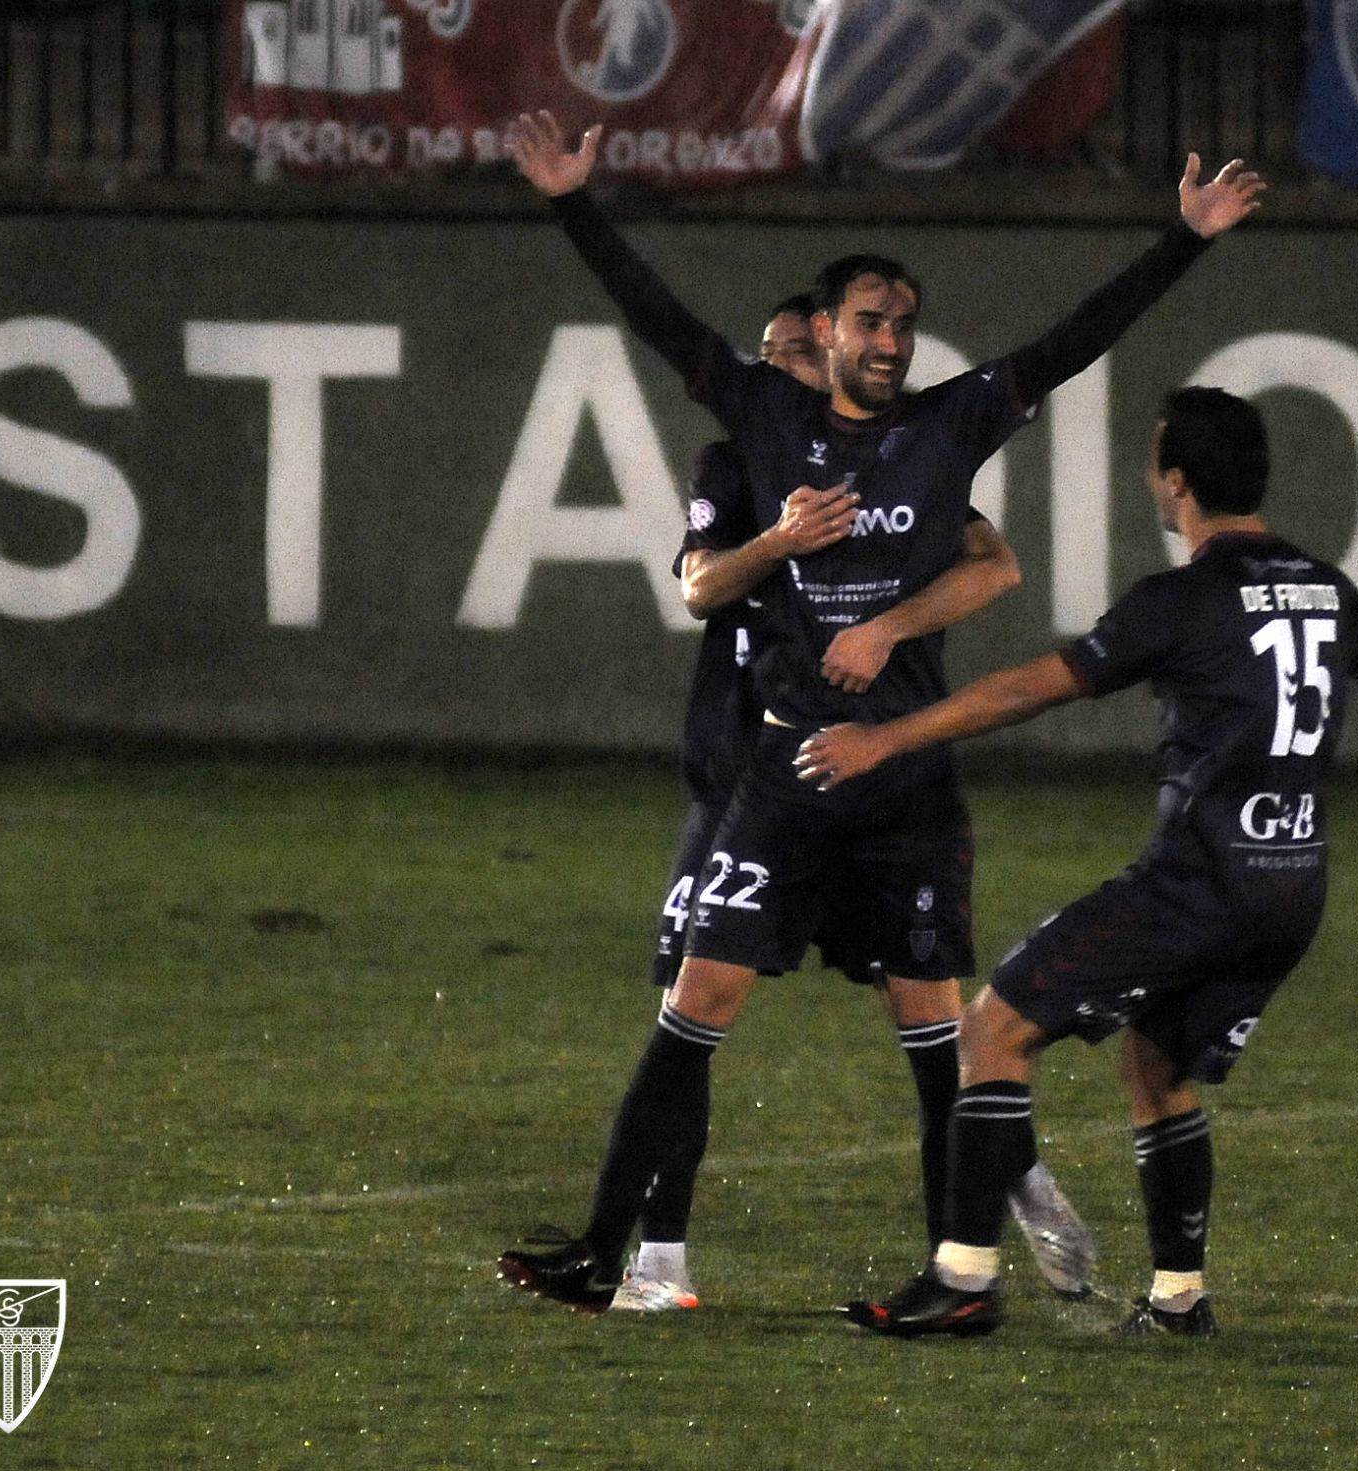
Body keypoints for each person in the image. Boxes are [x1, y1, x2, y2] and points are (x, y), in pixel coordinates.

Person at [495, 109, 1265, 1312]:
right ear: (830, 330)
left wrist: (1184, 239)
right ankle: (630, 1257)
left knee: (937, 1045)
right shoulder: (766, 418)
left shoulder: (947, 426)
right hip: (787, 772)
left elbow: (1072, 343)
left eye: (903, 324)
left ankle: (956, 1276)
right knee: (693, 1007)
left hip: (903, 782)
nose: (890, 340)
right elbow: (658, 323)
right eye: (870, 322)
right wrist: (571, 205)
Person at [794, 387, 1358, 1338]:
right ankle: (1179, 1298)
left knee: (992, 1032)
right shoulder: (1324, 587)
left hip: (1200, 882)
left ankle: (964, 1279)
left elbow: (1028, 688)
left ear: (1177, 483)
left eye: (1155, 466)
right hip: (1292, 882)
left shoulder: (1180, 599)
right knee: (1156, 1060)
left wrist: (886, 740)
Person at [620, 296, 1095, 1312]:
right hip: (750, 780)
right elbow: (700, 588)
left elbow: (998, 563)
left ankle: (997, 1198)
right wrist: (780, 543)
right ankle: (659, 1258)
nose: (788, 370)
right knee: (686, 1012)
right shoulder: (734, 467)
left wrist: (885, 625)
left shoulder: (893, 468)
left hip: (875, 781)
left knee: (930, 1024)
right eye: (775, 355)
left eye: (803, 352)